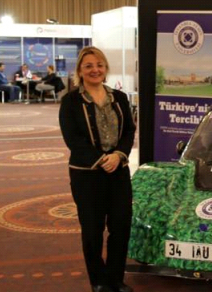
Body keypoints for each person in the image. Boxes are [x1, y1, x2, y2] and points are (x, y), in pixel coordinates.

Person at [59, 46, 136, 292]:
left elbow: (129, 130)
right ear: (80, 71)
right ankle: (99, 281)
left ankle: (115, 278)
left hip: (118, 172)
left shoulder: (119, 97)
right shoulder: (71, 101)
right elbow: (73, 139)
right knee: (92, 230)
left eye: (99, 65)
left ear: (106, 68)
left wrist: (119, 155)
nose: (95, 70)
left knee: (120, 227)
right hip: (87, 175)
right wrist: (102, 160)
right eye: (89, 66)